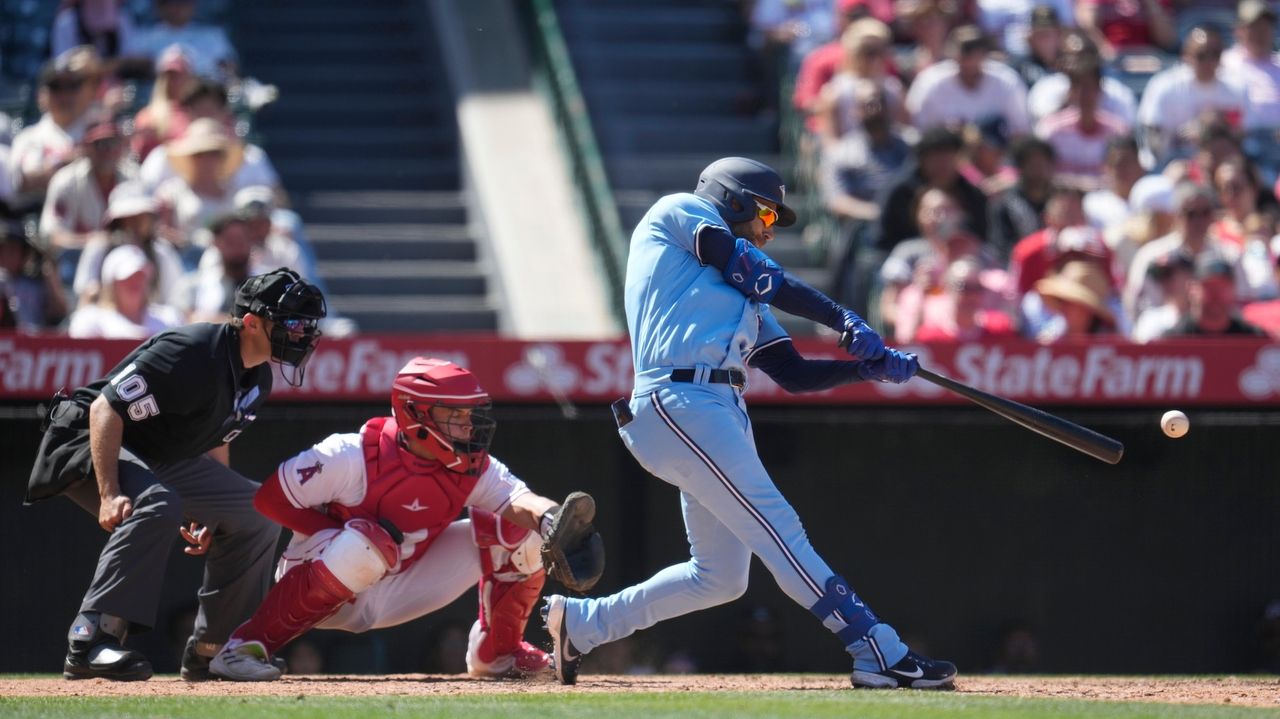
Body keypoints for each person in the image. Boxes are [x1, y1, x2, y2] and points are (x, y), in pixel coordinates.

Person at [541, 157, 956, 689]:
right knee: (781, 530)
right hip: (680, 395)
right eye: (763, 214)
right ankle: (876, 647)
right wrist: (844, 317)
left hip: (715, 409)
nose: (766, 229)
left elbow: (793, 373)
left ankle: (583, 625)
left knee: (718, 577)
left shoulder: (740, 294)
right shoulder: (680, 213)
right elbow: (758, 272)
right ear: (730, 197)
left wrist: (867, 369)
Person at [204, 358, 601, 681]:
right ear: (415, 414)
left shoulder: (470, 464)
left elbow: (520, 500)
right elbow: (270, 499)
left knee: (525, 534)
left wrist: (553, 520)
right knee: (367, 542)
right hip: (327, 578)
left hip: (400, 579)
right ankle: (244, 648)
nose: (468, 425)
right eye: (455, 414)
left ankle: (497, 655)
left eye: (470, 413)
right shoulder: (350, 454)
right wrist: (335, 532)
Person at [25, 268, 326, 682]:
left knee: (257, 512)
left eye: (305, 325)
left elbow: (213, 436)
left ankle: (216, 650)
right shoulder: (192, 349)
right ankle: (90, 640)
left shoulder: (259, 377)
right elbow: (104, 409)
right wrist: (110, 491)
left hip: (159, 453)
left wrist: (215, 515)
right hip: (87, 441)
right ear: (252, 322)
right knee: (157, 504)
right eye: (291, 323)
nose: (301, 333)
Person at [1136, 26, 1249, 169]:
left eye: (1215, 54)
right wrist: (1184, 135)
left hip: (1223, 164)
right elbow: (1153, 140)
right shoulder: (1164, 86)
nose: (1209, 61)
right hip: (1175, 162)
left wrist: (1219, 126)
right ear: (1187, 55)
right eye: (1201, 55)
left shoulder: (1236, 88)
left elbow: (1244, 137)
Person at [904, 25, 1030, 135]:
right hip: (947, 154)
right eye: (965, 55)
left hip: (996, 156)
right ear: (952, 54)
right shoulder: (930, 81)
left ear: (985, 54)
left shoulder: (1006, 80)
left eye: (975, 54)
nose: (970, 62)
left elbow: (1020, 130)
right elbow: (917, 128)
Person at [67, 244, 183, 338]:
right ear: (111, 284)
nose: (136, 282)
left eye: (141, 276)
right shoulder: (89, 320)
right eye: (127, 277)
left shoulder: (169, 318)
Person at [1160, 255, 1267, 337]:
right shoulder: (1173, 339)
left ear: (1234, 289)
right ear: (1191, 289)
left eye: (1223, 288)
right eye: (1209, 288)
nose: (1217, 294)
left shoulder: (1253, 338)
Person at [0, 220, 69, 330]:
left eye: (14, 249)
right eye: (5, 250)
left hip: (32, 342)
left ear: (24, 253)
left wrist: (50, 276)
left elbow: (59, 312)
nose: (9, 254)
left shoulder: (35, 284)